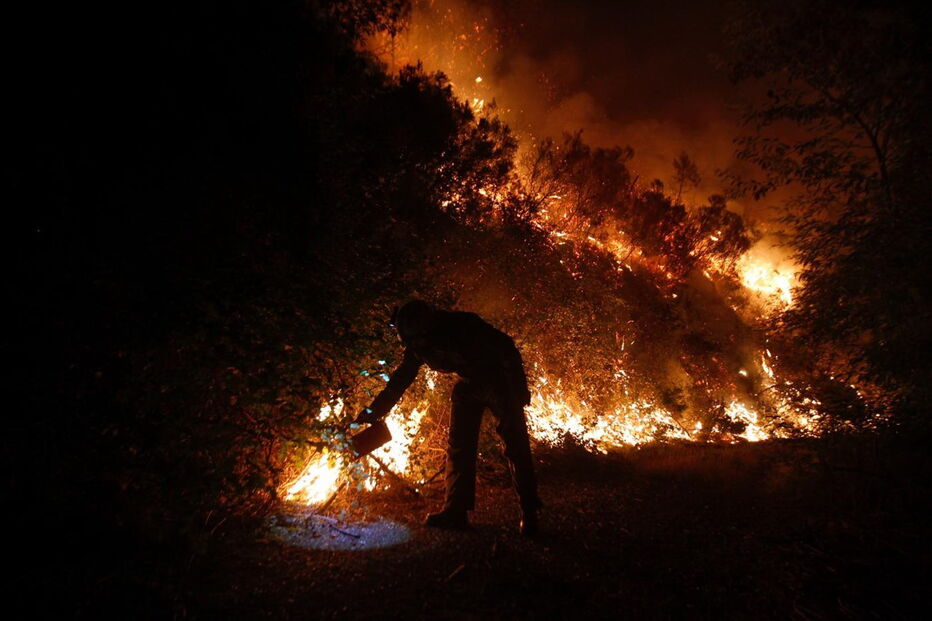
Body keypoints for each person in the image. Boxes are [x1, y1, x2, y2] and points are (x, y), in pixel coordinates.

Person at [356, 300, 542, 536]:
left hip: (499, 383)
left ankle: (530, 512)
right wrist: (375, 411)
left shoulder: (464, 324)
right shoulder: (419, 345)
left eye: (417, 339)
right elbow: (401, 379)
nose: (415, 346)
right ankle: (455, 512)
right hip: (469, 386)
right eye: (410, 341)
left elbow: (506, 346)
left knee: (515, 444)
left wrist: (519, 387)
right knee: (459, 447)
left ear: (428, 325)